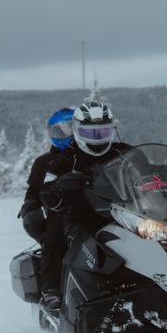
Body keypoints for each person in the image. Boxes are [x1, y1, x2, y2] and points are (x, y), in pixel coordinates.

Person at [39, 100, 135, 308]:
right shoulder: (65, 159)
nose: (97, 139)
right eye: (91, 133)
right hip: (78, 216)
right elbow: (46, 189)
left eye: (102, 132)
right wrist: (60, 185)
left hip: (122, 212)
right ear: (78, 132)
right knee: (54, 229)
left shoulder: (122, 152)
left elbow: (147, 167)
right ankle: (51, 288)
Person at [18, 108, 75, 310]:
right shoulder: (44, 162)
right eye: (60, 131)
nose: (67, 134)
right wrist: (31, 205)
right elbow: (33, 191)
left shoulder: (91, 154)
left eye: (70, 127)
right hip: (61, 211)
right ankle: (51, 289)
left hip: (97, 205)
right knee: (54, 233)